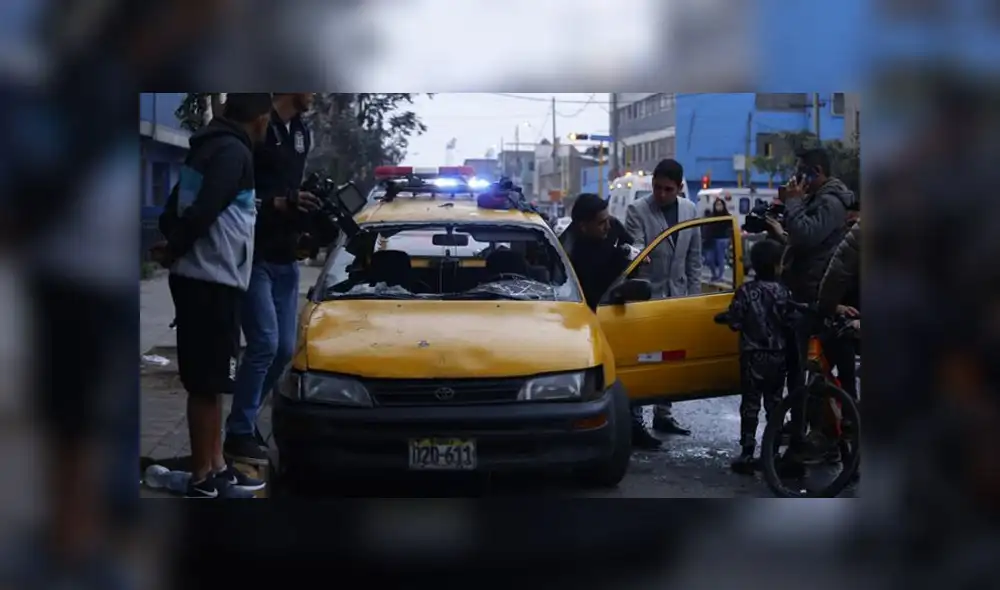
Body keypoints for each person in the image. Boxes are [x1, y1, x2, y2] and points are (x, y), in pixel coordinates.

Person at [154, 93, 275, 498]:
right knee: (205, 384)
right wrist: (176, 249)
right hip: (211, 282)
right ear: (261, 118)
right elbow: (205, 209)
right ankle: (204, 477)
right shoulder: (232, 153)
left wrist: (176, 243)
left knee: (215, 380)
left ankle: (217, 464)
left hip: (206, 279)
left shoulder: (208, 148)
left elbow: (171, 213)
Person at [224, 93, 322, 465]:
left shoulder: (301, 131)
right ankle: (239, 432)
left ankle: (242, 423)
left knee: (283, 349)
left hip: (286, 257)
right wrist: (276, 204)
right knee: (264, 343)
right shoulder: (259, 125)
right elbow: (237, 191)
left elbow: (292, 191)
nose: (315, 94)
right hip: (254, 256)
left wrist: (305, 224)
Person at [560, 194, 663, 450]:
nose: (608, 226)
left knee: (633, 368)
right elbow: (587, 287)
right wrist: (620, 261)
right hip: (588, 322)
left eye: (608, 220)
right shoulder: (569, 250)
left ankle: (635, 425)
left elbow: (631, 252)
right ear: (583, 226)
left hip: (621, 312)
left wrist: (636, 258)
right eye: (601, 223)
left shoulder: (613, 227)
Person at [624, 158, 701, 436]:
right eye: (657, 188)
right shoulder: (638, 210)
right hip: (647, 298)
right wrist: (637, 256)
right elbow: (635, 248)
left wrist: (694, 300)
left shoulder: (690, 210)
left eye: (668, 189)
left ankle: (663, 414)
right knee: (644, 359)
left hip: (677, 298)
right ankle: (635, 419)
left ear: (679, 188)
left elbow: (694, 258)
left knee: (671, 359)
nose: (661, 194)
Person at [779, 148, 858, 399]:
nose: (795, 177)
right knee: (802, 366)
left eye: (800, 171)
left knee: (818, 364)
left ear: (816, 172)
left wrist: (792, 202)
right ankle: (805, 421)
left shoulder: (830, 201)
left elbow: (806, 236)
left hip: (821, 293)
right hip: (807, 292)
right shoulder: (816, 198)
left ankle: (833, 422)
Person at [715, 239, 797, 474]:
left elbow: (735, 320)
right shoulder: (784, 291)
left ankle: (747, 452)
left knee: (750, 404)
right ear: (776, 265)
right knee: (774, 404)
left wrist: (724, 318)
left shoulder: (746, 292)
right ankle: (771, 453)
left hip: (752, 357)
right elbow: (790, 321)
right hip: (778, 357)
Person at [704, 198, 731, 282]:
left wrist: (730, 238)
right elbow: (706, 228)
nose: (718, 206)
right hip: (712, 239)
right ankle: (714, 274)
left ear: (723, 206)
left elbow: (731, 228)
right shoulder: (711, 216)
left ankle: (720, 276)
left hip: (722, 239)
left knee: (720, 258)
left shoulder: (727, 216)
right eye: (717, 205)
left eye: (720, 204)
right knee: (709, 259)